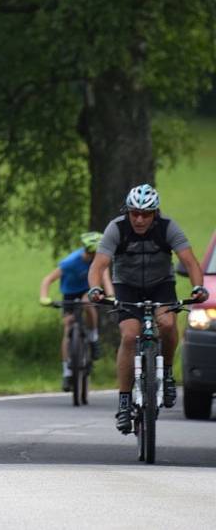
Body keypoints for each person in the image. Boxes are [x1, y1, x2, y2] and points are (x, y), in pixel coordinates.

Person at [87, 183, 209, 434]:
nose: (140, 219)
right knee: (130, 336)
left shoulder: (167, 228)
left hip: (161, 285)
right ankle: (124, 402)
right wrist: (95, 288)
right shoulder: (116, 228)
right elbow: (99, 266)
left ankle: (166, 374)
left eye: (146, 214)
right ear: (128, 211)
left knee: (167, 323)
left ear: (156, 213)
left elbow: (190, 261)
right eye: (135, 213)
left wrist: (198, 288)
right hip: (126, 286)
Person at [39, 231, 113, 391]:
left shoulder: (99, 262)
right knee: (67, 328)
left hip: (88, 290)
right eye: (97, 253)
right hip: (70, 293)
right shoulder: (70, 262)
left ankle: (93, 338)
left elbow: (106, 279)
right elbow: (48, 280)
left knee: (88, 303)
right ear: (90, 252)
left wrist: (111, 296)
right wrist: (44, 298)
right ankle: (67, 373)